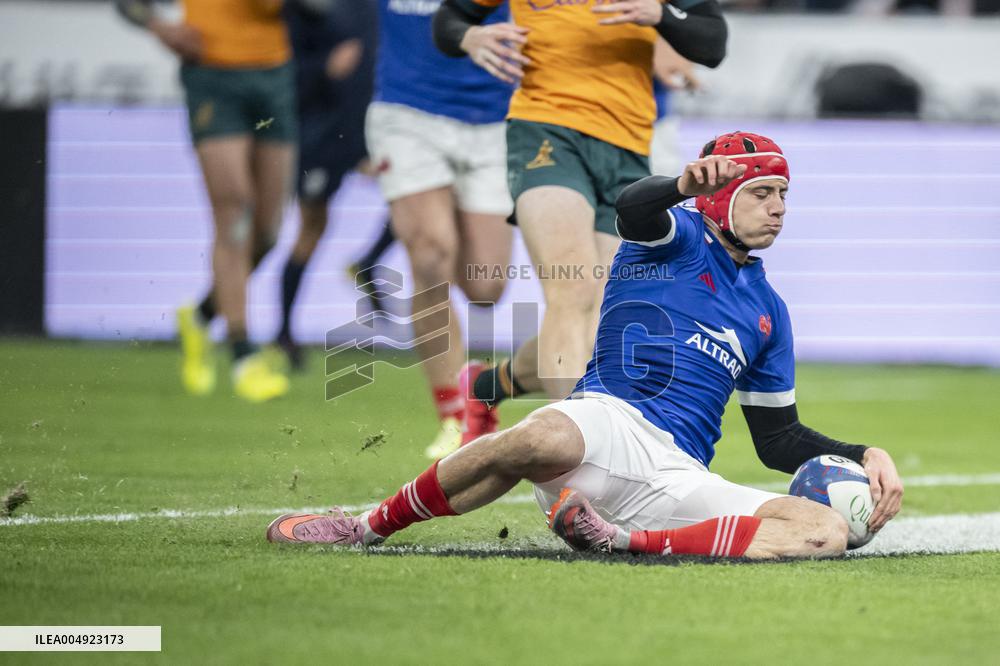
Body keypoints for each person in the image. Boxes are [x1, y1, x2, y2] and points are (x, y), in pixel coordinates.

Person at [265, 132, 905, 559]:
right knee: (537, 439)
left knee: (825, 531)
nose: (778, 208)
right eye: (762, 193)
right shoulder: (675, 235)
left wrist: (864, 451)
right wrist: (679, 186)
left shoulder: (770, 312)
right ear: (718, 199)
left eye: (783, 195)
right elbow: (631, 208)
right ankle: (364, 526)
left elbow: (777, 440)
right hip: (604, 422)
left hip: (677, 473)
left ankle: (624, 541)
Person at [432, 0, 728, 446]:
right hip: (546, 131)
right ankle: (574, 462)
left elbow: (713, 42)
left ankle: (487, 387)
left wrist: (662, 17)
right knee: (571, 290)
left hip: (628, 148)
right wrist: (468, 36)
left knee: (600, 311)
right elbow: (450, 17)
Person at [115, 0, 295, 402]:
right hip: (211, 73)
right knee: (234, 211)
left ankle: (200, 316)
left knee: (267, 233)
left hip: (275, 73)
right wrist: (160, 27)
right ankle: (243, 354)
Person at [366, 0, 516, 459]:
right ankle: (456, 413)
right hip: (407, 112)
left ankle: (474, 388)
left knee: (486, 286)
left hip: (495, 119)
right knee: (430, 254)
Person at [275, 0, 378, 368]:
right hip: (320, 134)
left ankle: (370, 261)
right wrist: (325, 67)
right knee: (312, 228)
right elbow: (287, 73)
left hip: (369, 130)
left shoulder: (376, 10)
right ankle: (282, 333)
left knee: (417, 198)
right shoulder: (305, 12)